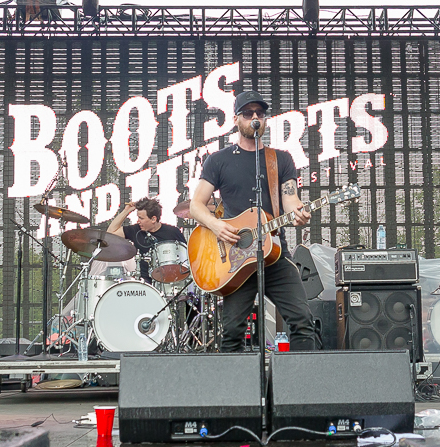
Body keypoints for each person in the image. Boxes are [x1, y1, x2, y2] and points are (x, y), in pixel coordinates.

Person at [190, 90, 319, 352]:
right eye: (248, 113)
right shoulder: (218, 160)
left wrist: (299, 214)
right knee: (233, 333)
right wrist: (216, 225)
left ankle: (300, 390)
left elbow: (291, 200)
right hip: (236, 259)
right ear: (237, 120)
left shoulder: (280, 159)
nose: (255, 117)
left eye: (260, 113)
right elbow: (195, 205)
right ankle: (237, 392)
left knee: (303, 321)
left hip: (273, 253)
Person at [106, 196, 185, 284]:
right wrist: (126, 211)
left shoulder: (173, 232)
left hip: (171, 281)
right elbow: (110, 233)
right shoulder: (136, 230)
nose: (138, 221)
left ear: (153, 219)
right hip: (145, 283)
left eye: (141, 218)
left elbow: (186, 257)